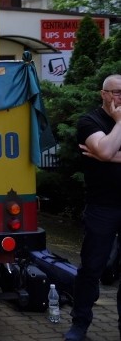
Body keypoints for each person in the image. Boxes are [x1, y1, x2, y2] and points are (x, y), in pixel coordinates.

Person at [66, 74, 121, 341]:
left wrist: (107, 154)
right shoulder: (90, 121)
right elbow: (104, 150)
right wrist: (120, 124)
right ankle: (80, 324)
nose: (120, 98)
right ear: (103, 94)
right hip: (102, 206)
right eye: (117, 92)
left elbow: (106, 152)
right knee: (91, 268)